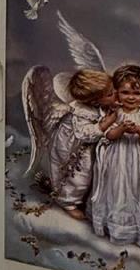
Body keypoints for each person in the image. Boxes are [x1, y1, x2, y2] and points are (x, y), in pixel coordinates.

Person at [88, 62, 140, 246]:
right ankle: (118, 227)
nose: (131, 97)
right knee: (118, 190)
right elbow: (108, 135)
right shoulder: (112, 114)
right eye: (125, 92)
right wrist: (122, 128)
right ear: (116, 92)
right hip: (118, 161)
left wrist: (139, 130)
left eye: (137, 93)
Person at [48, 68, 118, 220]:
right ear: (94, 101)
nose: (116, 94)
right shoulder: (80, 113)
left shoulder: (96, 106)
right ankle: (67, 202)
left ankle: (80, 196)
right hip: (73, 146)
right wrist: (104, 125)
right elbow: (84, 134)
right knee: (79, 175)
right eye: (110, 94)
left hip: (84, 144)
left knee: (89, 172)